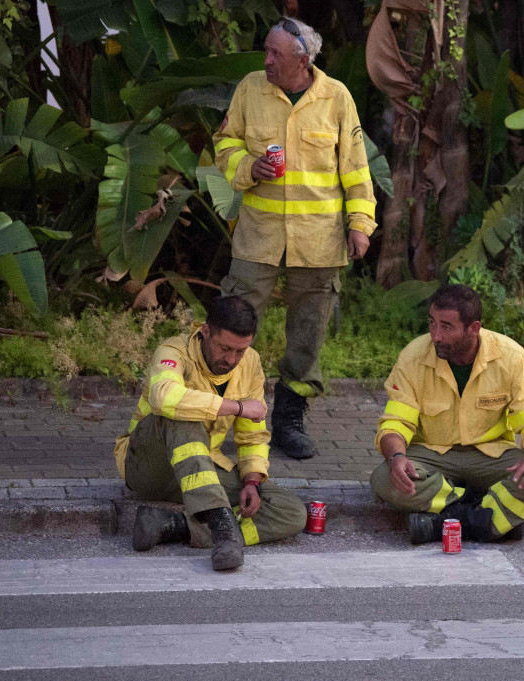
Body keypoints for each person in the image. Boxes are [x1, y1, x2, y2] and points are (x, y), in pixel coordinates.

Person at [213, 17, 377, 460]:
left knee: (308, 332)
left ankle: (288, 419)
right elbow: (223, 145)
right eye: (265, 51)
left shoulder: (336, 97)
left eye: (276, 55)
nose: (266, 60)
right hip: (258, 239)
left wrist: (360, 224)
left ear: (303, 61)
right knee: (232, 320)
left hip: (320, 243)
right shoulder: (250, 89)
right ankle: (214, 412)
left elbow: (357, 171)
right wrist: (248, 167)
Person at [114, 296, 309, 571]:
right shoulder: (173, 349)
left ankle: (174, 527)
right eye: (224, 348)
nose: (231, 359)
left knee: (290, 510)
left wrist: (252, 480)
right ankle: (223, 528)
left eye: (240, 351)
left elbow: (253, 434)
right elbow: (163, 397)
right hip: (146, 466)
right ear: (205, 331)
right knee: (181, 414)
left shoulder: (250, 363)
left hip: (197, 473)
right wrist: (237, 407)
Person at [370, 285, 524, 544]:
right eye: (432, 323)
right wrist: (397, 457)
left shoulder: (511, 357)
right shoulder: (413, 357)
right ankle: (486, 518)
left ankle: (443, 523)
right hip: (433, 455)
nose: (436, 336)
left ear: (473, 328)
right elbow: (395, 424)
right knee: (384, 478)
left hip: (492, 454)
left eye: (446, 326)